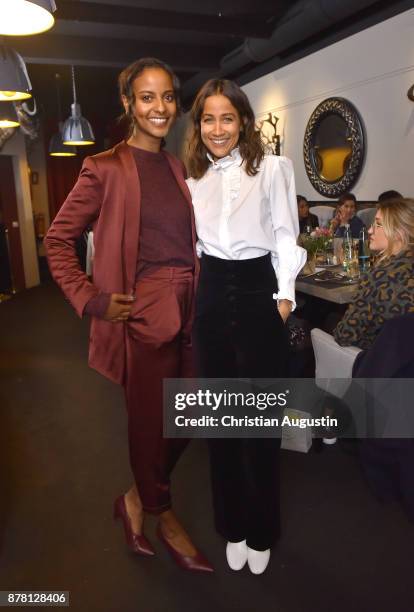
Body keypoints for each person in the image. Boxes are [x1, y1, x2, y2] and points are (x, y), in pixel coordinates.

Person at [44, 57, 213, 573]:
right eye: (147, 97)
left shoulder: (179, 168)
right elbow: (57, 240)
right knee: (149, 425)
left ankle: (135, 499)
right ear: (128, 104)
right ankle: (164, 514)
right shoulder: (105, 167)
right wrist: (93, 298)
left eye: (167, 97)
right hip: (144, 310)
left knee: (188, 417)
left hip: (193, 305)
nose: (159, 108)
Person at [185, 79, 306, 574]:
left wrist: (283, 300)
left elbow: (285, 234)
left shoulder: (274, 168)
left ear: (243, 122)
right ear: (199, 126)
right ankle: (231, 523)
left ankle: (262, 529)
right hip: (212, 296)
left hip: (259, 294)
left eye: (226, 118)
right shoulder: (191, 179)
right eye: (208, 119)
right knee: (221, 424)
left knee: (257, 425)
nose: (217, 128)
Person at [334, 198, 414, 349]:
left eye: (378, 224)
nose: (370, 230)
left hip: (386, 362)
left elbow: (344, 335)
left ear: (398, 233)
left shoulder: (380, 276)